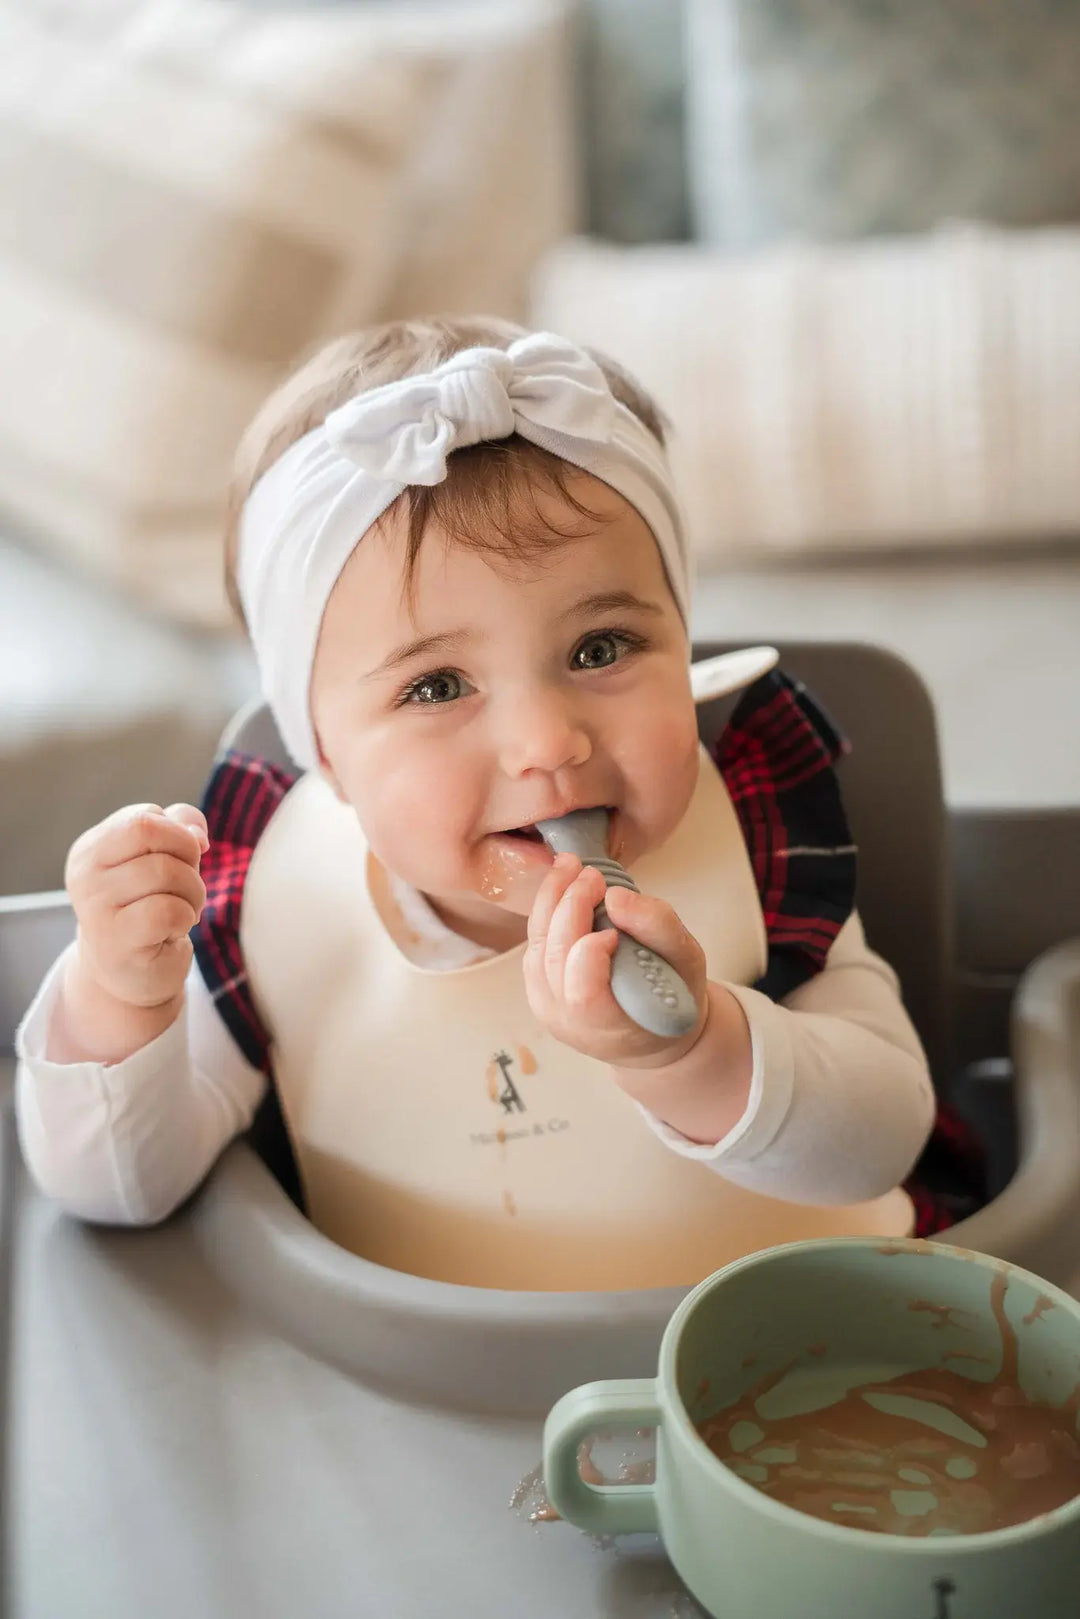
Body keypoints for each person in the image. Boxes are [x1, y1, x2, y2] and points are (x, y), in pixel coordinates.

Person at [13, 319, 982, 1290]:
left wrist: (693, 1054)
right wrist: (117, 999)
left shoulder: (753, 834)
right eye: (436, 686)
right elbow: (121, 1190)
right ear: (327, 757)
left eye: (601, 649)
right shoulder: (275, 906)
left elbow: (882, 1136)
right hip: (426, 1391)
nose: (547, 743)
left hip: (800, 1356)